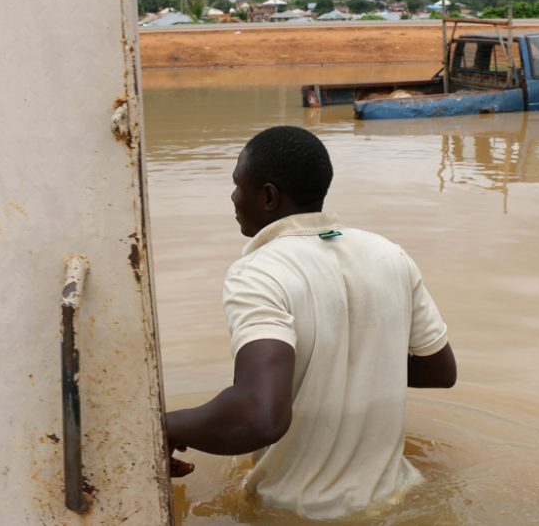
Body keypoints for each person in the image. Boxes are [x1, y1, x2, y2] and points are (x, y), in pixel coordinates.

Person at [165, 125, 456, 520]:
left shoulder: (258, 272)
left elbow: (259, 415)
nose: (233, 197)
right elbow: (439, 369)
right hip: (400, 500)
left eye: (238, 185)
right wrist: (347, 355)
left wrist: (168, 428)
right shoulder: (388, 254)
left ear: (268, 195)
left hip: (296, 513)